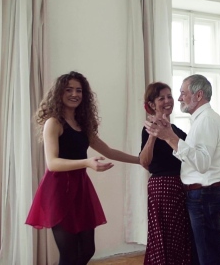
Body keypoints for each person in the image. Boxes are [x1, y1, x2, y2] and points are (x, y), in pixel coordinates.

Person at [26, 71, 140, 265]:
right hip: (58, 191)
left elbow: (109, 151)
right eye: (69, 89)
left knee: (87, 249)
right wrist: (86, 162)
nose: (74, 94)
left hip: (80, 189)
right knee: (68, 254)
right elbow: (52, 163)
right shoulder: (53, 123)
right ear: (59, 92)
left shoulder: (82, 124)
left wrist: (139, 161)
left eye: (79, 90)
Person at [145, 74, 220, 265]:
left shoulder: (206, 120)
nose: (178, 99)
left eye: (183, 93)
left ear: (198, 95)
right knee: (207, 253)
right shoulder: (202, 120)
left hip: (204, 195)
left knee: (209, 256)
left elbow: (201, 163)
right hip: (205, 195)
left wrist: (169, 137)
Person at [139, 82, 193, 264]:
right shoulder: (148, 130)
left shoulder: (177, 131)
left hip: (180, 186)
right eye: (161, 98)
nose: (167, 101)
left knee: (179, 236)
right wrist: (153, 135)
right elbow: (145, 162)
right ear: (152, 104)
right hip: (162, 188)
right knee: (163, 236)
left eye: (169, 96)